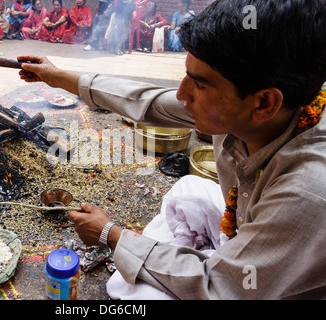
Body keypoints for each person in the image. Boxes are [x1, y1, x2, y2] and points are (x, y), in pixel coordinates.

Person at [17, 0, 326, 299]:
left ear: (263, 103)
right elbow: (145, 101)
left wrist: (110, 234)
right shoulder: (269, 110)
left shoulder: (307, 191)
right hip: (247, 234)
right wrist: (55, 76)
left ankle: (185, 261)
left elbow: (222, 288)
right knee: (188, 190)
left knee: (131, 290)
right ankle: (187, 258)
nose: (181, 93)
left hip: (260, 287)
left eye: (200, 84)